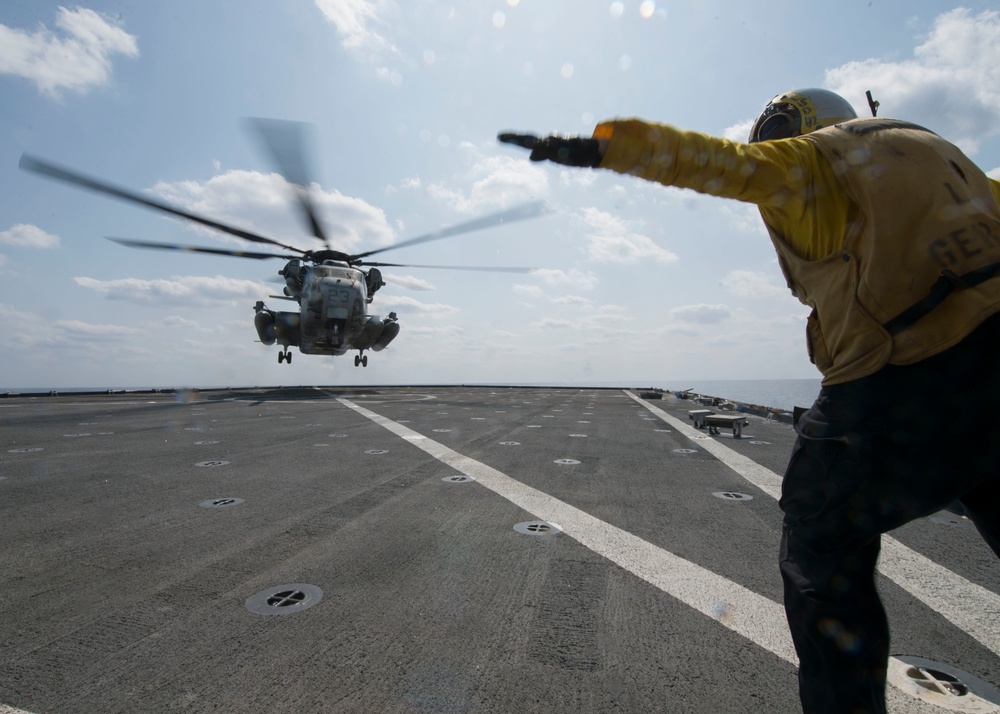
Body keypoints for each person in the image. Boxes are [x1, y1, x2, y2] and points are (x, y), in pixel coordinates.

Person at [499, 88, 1000, 714]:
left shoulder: (818, 158)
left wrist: (600, 148)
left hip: (893, 377)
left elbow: (713, 161)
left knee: (819, 543)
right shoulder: (960, 167)